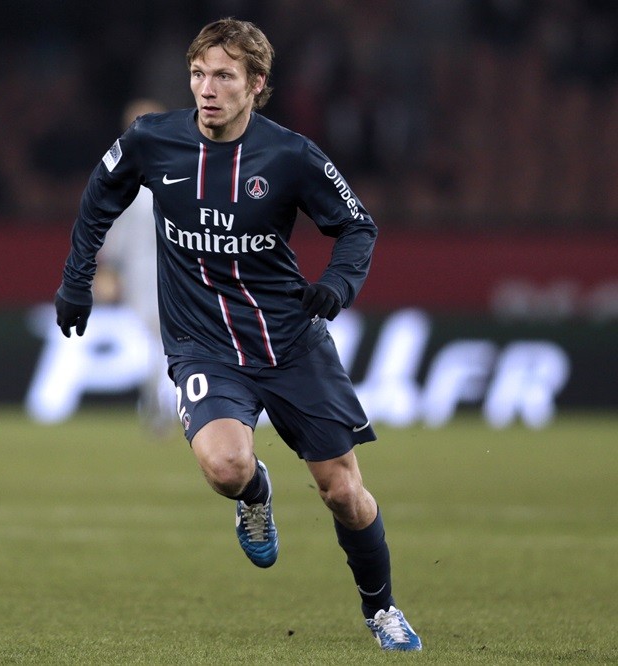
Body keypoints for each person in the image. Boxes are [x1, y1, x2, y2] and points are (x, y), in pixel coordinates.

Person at [54, 18, 422, 651]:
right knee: (225, 466)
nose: (207, 88)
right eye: (198, 74)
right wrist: (77, 280)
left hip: (290, 343)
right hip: (202, 344)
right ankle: (255, 493)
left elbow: (358, 226)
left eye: (224, 76)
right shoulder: (151, 140)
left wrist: (337, 285)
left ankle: (381, 608)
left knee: (343, 491)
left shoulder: (291, 155)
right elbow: (98, 199)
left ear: (257, 84)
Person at [95, 98, 176, 434]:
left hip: (178, 271)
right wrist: (108, 269)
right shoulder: (122, 175)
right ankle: (159, 406)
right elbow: (112, 229)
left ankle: (167, 406)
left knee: (166, 341)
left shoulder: (182, 169)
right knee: (155, 340)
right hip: (142, 273)